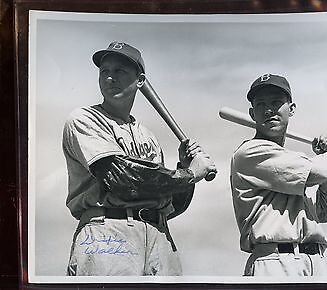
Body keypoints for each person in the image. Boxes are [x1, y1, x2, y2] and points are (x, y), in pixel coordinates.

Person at [62, 41, 216, 276]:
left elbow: (169, 204)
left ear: (140, 80)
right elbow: (122, 179)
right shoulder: (84, 119)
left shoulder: (148, 135)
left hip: (159, 236)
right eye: (105, 72)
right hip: (108, 234)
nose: (110, 78)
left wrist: (182, 167)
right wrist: (192, 173)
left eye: (120, 71)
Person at [230, 73, 327, 276]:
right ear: (252, 114)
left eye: (276, 102)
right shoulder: (251, 152)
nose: (269, 110)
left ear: (292, 109)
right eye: (261, 105)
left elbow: (323, 213)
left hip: (314, 262)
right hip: (274, 263)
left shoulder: (288, 161)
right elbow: (318, 172)